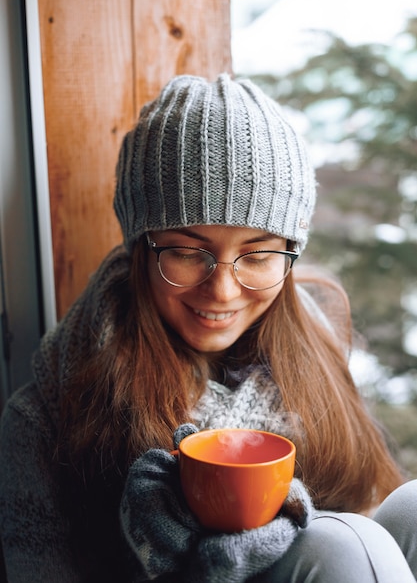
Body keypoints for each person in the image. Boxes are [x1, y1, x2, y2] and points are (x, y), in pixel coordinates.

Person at [0, 73, 416, 583]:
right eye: (186, 252)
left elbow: (365, 509)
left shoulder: (315, 348)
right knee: (337, 549)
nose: (222, 291)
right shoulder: (43, 418)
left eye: (259, 254)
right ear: (141, 246)